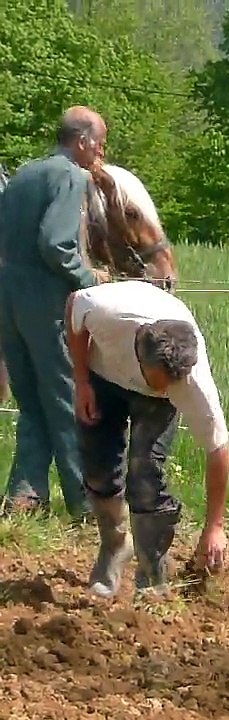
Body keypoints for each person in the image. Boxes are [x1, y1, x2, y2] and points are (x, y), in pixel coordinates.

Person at [64, 279, 229, 598]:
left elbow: (218, 449)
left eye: (169, 383)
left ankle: (152, 575)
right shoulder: (105, 312)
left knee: (145, 475)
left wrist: (215, 527)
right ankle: (114, 548)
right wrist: (82, 380)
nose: (162, 386)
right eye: (158, 381)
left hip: (155, 407)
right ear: (141, 355)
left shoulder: (187, 381)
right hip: (104, 376)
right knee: (97, 466)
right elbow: (75, 305)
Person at [0, 106, 110, 518]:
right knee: (68, 400)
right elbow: (55, 243)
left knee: (31, 402)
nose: (101, 151)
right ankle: (86, 503)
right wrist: (89, 277)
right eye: (99, 143)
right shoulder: (70, 176)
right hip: (45, 305)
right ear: (81, 141)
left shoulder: (24, 174)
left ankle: (25, 496)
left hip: (7, 299)